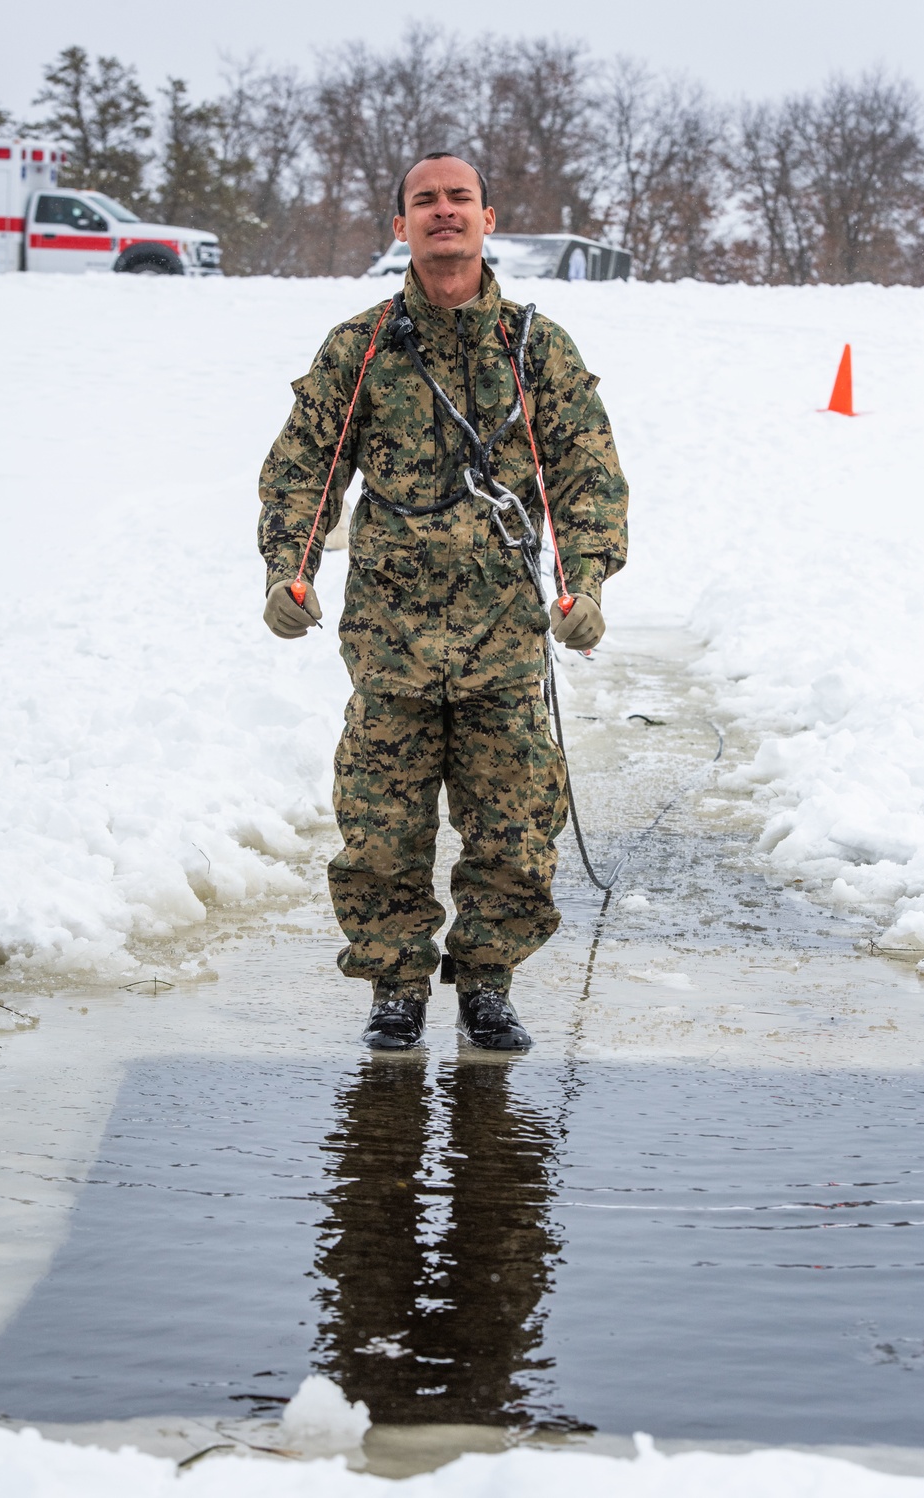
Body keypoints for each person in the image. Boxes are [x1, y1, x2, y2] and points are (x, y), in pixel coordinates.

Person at [258, 153, 628, 1051]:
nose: (443, 213)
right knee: (382, 829)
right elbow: (306, 467)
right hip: (390, 644)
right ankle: (396, 984)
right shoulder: (362, 346)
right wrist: (288, 567)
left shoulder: (537, 346)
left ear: (489, 218)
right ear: (401, 227)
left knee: (512, 828)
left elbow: (584, 474)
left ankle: (489, 983)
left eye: (459, 198)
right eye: (424, 201)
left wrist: (585, 582)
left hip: (505, 642)